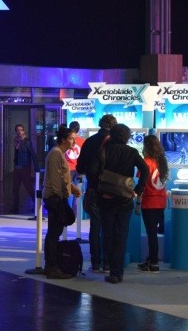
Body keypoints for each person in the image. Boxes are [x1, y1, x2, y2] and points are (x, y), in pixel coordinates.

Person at [95, 124, 149, 284]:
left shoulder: (103, 151)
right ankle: (117, 273)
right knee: (121, 236)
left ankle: (109, 267)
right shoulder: (131, 152)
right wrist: (138, 190)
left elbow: (92, 172)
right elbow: (145, 170)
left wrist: (99, 190)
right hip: (125, 199)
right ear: (127, 136)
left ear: (111, 135)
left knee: (108, 235)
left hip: (106, 198)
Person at [76, 114, 117, 273]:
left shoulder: (89, 141)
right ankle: (107, 264)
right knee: (109, 227)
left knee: (95, 226)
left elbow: (80, 167)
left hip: (93, 189)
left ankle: (95, 263)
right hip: (111, 190)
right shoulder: (115, 143)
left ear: (100, 124)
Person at [42, 125, 82, 279]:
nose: (74, 142)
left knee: (54, 232)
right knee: (54, 233)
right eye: (71, 138)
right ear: (63, 139)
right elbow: (56, 180)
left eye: (74, 138)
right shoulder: (56, 154)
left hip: (57, 196)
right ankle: (51, 267)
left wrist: (72, 188)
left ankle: (51, 265)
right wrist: (61, 199)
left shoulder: (59, 154)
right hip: (55, 197)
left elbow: (62, 178)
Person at [135, 135, 169, 273]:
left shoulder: (146, 162)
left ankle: (154, 263)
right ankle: (150, 259)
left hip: (149, 202)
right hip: (161, 201)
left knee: (151, 234)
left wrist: (138, 203)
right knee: (153, 232)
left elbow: (142, 184)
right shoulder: (162, 162)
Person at [10, 124, 40, 214]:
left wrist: (36, 166)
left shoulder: (27, 142)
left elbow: (32, 154)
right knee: (15, 188)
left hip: (24, 167)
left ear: (24, 131)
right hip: (17, 166)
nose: (19, 132)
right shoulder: (16, 141)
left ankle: (36, 205)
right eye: (18, 130)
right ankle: (15, 207)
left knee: (28, 187)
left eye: (21, 130)